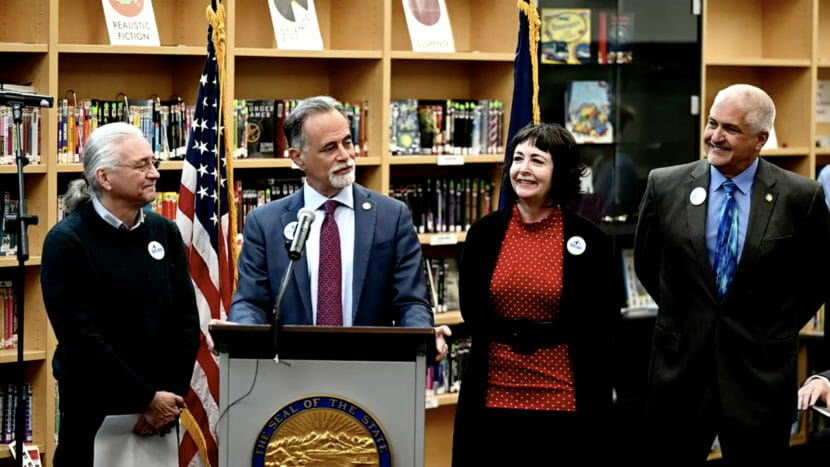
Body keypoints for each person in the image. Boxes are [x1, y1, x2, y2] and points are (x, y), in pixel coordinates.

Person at [634, 84, 830, 465]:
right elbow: (647, 263)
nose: (715, 137)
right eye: (712, 123)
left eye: (730, 129)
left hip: (759, 379)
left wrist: (773, 326)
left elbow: (819, 276)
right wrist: (688, 314)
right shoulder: (666, 185)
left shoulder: (800, 196)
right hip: (681, 375)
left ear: (760, 140)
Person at [228, 96, 450, 360]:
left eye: (347, 141)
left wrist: (422, 338)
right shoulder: (265, 223)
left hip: (370, 369)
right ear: (298, 158)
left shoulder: (392, 216)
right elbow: (251, 302)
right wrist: (238, 334)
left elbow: (411, 302)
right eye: (329, 148)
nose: (345, 155)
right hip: (291, 372)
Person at [451, 123, 619, 466]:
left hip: (565, 399)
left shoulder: (591, 240)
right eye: (517, 158)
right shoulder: (484, 234)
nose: (523, 169)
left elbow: (601, 321)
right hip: (493, 397)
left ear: (561, 172)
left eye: (537, 160)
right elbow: (472, 312)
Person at [40, 122, 200, 466]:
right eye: (141, 165)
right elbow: (81, 338)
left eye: (153, 162)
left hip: (161, 413)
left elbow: (187, 320)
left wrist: (167, 398)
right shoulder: (68, 242)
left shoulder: (165, 232)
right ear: (105, 178)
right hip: (96, 414)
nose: (155, 173)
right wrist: (145, 398)